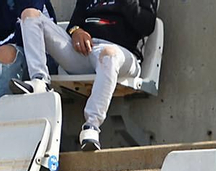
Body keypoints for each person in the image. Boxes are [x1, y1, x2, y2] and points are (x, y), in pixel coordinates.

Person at [12, 0, 157, 151]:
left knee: (109, 55)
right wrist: (76, 31)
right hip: (85, 51)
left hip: (121, 55)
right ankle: (40, 80)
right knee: (30, 14)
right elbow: (74, 25)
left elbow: (146, 25)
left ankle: (92, 126)